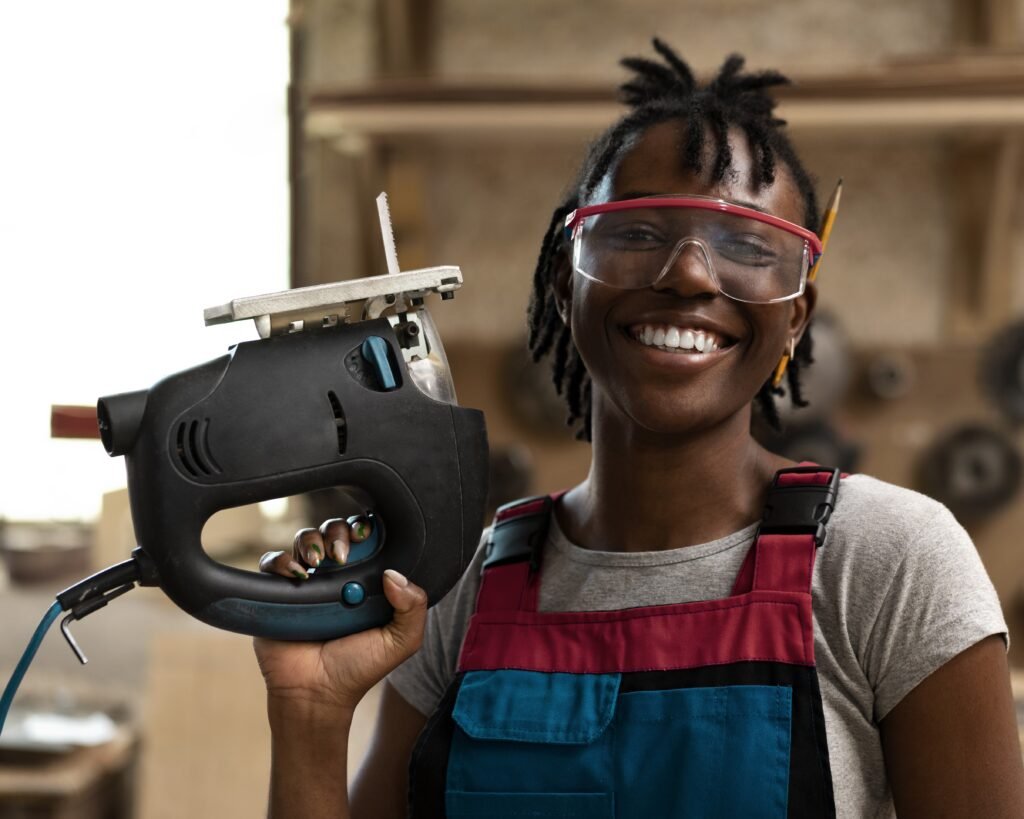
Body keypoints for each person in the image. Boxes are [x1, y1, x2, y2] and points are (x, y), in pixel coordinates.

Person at [254, 40, 1024, 818]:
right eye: (637, 233)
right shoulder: (464, 589)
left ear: (795, 317)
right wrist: (311, 714)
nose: (690, 273)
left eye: (749, 247)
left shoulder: (890, 564)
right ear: (566, 282)